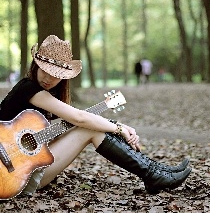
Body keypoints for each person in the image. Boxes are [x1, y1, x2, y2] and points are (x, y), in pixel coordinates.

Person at [0, 35, 191, 198]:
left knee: (89, 127)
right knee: (87, 128)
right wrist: (118, 128)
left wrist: (113, 124)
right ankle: (153, 174)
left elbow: (62, 127)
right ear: (36, 65)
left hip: (22, 167)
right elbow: (79, 118)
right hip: (12, 177)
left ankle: (156, 171)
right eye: (45, 71)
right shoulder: (29, 89)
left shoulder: (41, 94)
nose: (49, 79)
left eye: (56, 75)